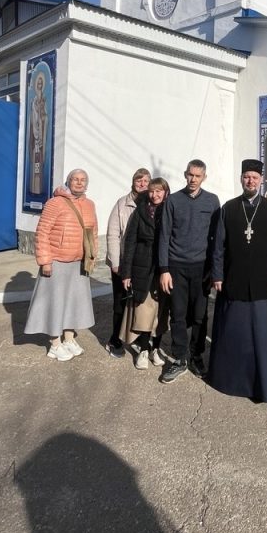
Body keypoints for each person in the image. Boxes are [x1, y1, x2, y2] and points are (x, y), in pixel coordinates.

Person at [209, 159, 267, 402]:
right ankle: (231, 381)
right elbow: (218, 246)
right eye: (246, 177)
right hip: (234, 280)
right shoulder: (229, 208)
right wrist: (217, 274)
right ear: (241, 179)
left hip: (264, 281)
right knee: (235, 334)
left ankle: (264, 384)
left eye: (254, 177)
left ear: (261, 180)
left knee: (263, 336)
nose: (250, 181)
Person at [24, 169, 97, 362]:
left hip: (78, 262)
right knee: (54, 303)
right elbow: (42, 232)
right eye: (75, 179)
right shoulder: (55, 203)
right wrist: (45, 261)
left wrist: (91, 257)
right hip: (57, 261)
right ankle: (55, 344)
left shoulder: (89, 205)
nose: (79, 183)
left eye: (83, 180)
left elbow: (93, 233)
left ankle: (69, 339)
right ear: (68, 181)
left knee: (73, 302)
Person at [158, 160, 220, 383]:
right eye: (190, 175)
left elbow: (217, 238)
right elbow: (164, 235)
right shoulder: (173, 200)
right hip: (176, 267)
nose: (193, 179)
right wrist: (164, 269)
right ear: (185, 174)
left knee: (200, 315)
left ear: (204, 177)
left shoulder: (212, 201)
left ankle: (196, 355)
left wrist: (215, 270)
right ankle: (180, 358)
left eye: (197, 176)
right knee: (178, 314)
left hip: (201, 268)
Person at [120, 177, 170, 370]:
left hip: (165, 267)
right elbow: (130, 242)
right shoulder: (141, 211)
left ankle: (156, 348)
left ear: (166, 192)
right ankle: (143, 349)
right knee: (144, 310)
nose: (155, 195)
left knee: (161, 311)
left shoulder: (170, 209)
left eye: (159, 191)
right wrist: (126, 273)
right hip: (143, 265)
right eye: (152, 191)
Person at [105, 168, 151, 357]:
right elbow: (112, 234)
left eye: (146, 181)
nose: (142, 184)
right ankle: (115, 340)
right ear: (133, 182)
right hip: (123, 262)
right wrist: (116, 262)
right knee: (121, 302)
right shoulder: (122, 204)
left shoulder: (152, 204)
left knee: (140, 303)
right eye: (139, 180)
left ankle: (138, 339)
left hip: (143, 264)